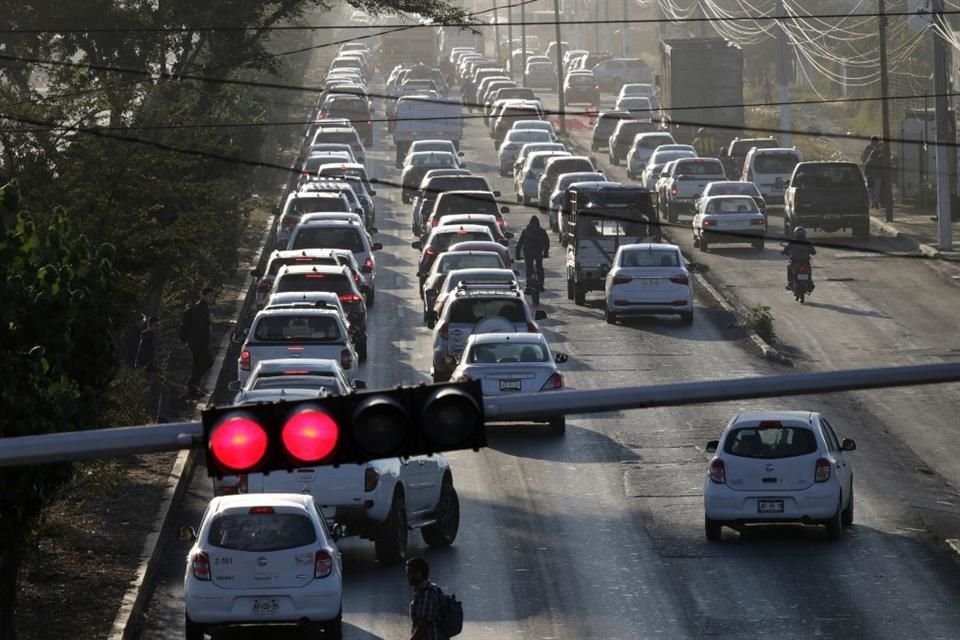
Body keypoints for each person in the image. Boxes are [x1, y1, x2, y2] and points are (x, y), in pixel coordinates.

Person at [182, 287, 215, 397]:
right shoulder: (199, 308)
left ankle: (193, 389)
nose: (211, 298)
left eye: (212, 296)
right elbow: (199, 327)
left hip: (199, 342)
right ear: (203, 296)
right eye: (209, 296)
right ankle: (192, 383)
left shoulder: (203, 307)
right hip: (198, 342)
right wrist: (209, 322)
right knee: (208, 361)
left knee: (197, 364)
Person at [406, 557, 446, 640]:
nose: (407, 576)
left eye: (409, 573)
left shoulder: (427, 593)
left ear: (419, 574)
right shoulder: (421, 591)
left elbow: (423, 625)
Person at [516, 215, 549, 291]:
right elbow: (547, 242)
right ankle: (540, 284)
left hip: (528, 253)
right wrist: (546, 252)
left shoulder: (526, 231)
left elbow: (519, 244)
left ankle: (528, 284)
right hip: (538, 252)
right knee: (539, 268)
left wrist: (517, 255)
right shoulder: (542, 231)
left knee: (529, 268)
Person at [782, 226, 816, 290]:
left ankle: (790, 283)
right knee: (809, 270)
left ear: (795, 233)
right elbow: (814, 252)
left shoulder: (792, 242)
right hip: (805, 261)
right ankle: (810, 282)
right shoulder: (808, 242)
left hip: (795, 261)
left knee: (789, 267)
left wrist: (784, 252)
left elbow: (786, 250)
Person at [864, 139, 886, 209]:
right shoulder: (880, 158)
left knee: (871, 190)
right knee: (876, 190)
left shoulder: (871, 158)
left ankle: (873, 202)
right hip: (877, 176)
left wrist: (866, 174)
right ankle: (875, 202)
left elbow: (866, 166)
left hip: (871, 176)